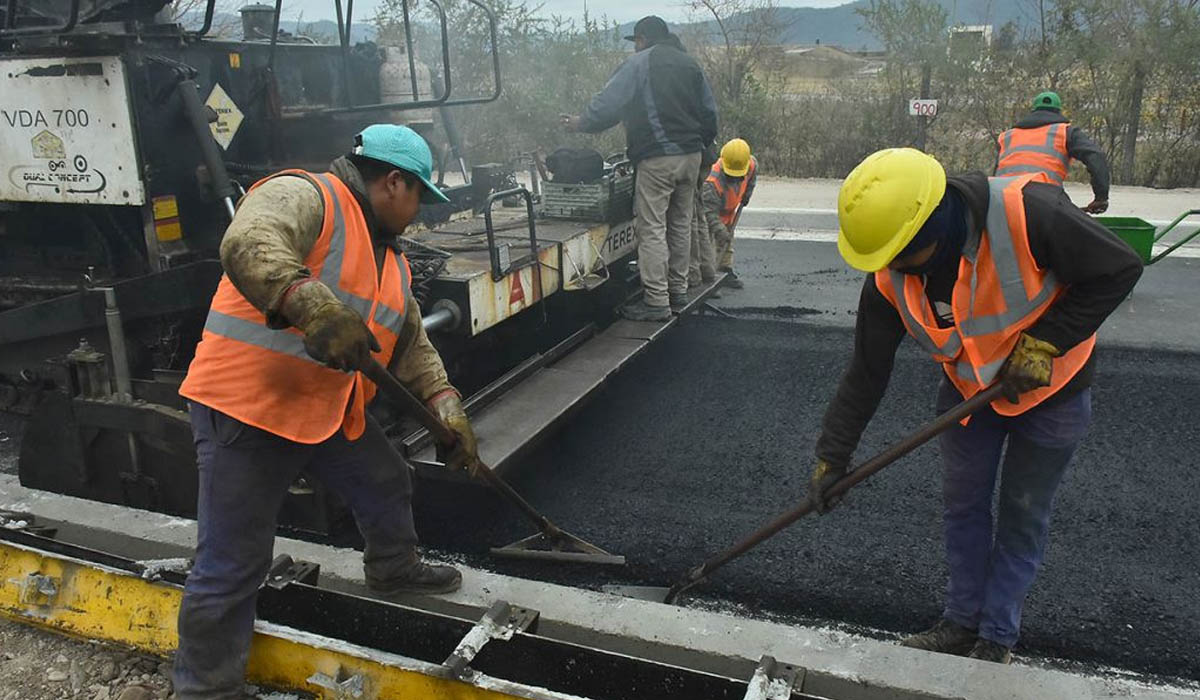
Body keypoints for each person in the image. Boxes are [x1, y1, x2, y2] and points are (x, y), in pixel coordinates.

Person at [172, 124, 480, 699]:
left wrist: (447, 408)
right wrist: (310, 305)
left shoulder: (391, 261)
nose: (421, 214)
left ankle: (392, 566)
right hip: (248, 411)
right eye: (420, 198)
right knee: (233, 562)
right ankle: (205, 690)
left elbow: (411, 346)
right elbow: (250, 238)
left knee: (387, 478)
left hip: (324, 411)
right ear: (394, 182)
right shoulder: (309, 196)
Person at [807, 148, 1142, 664]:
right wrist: (834, 456)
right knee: (963, 508)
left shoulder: (1030, 212)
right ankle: (961, 623)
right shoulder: (890, 275)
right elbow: (867, 371)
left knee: (1022, 516)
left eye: (901, 255)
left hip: (1053, 394)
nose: (894, 269)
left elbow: (1119, 267)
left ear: (932, 227)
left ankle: (996, 638)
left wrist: (1044, 342)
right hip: (970, 397)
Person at [562, 15, 718, 320]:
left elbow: (609, 103)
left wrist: (581, 123)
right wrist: (698, 146)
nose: (635, 48)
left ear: (642, 39)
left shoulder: (639, 64)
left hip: (658, 159)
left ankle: (657, 302)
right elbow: (709, 114)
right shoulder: (689, 64)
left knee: (652, 229)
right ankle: (678, 290)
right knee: (680, 224)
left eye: (635, 42)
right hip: (691, 157)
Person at [996, 91, 1110, 214]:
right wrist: (1101, 198)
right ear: (1058, 112)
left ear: (1033, 111)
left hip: (1002, 200)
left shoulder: (1007, 136)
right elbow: (1095, 156)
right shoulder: (1064, 132)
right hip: (1045, 200)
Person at [699, 138, 757, 290]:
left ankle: (725, 271)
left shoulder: (750, 164)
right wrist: (720, 230)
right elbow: (709, 213)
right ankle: (708, 278)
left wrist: (747, 196)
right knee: (710, 247)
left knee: (728, 242)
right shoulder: (711, 181)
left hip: (730, 211)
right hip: (712, 216)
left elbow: (751, 180)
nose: (736, 179)